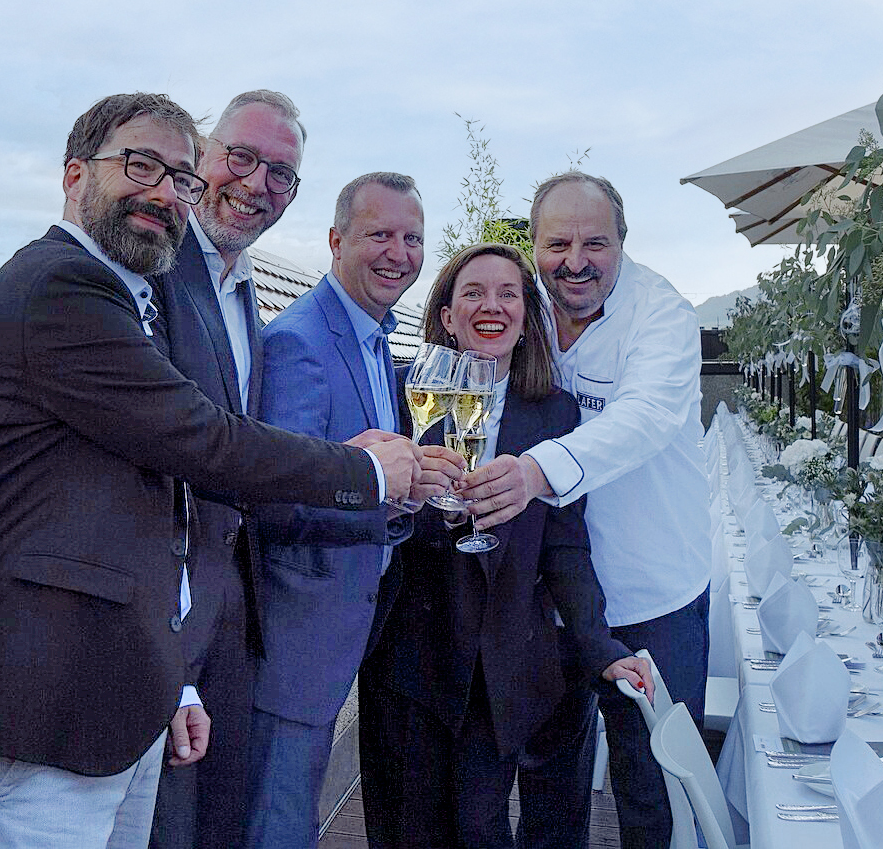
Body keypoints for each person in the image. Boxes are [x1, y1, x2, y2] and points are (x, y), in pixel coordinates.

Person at [0, 93, 421, 849]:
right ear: (75, 174)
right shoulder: (60, 287)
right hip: (32, 705)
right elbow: (203, 441)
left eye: (178, 177)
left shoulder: (129, 296)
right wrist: (365, 470)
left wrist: (169, 677)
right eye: (139, 165)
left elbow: (150, 504)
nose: (163, 191)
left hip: (110, 693)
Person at [359, 242, 652, 849]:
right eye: (473, 292)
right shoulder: (397, 393)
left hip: (500, 670)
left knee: (481, 827)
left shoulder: (555, 415)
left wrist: (599, 644)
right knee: (406, 831)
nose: (490, 305)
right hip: (411, 660)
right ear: (446, 315)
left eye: (507, 294)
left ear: (525, 318)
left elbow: (566, 547)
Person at [458, 172, 709, 849]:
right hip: (551, 595)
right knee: (551, 782)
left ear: (623, 242)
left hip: (651, 592)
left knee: (652, 789)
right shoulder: (525, 304)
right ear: (533, 244)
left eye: (595, 242)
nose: (575, 261)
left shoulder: (662, 314)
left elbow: (646, 417)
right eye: (557, 242)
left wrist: (536, 471)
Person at [245, 171, 460, 849]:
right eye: (380, 234)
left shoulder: (376, 338)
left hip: (345, 630)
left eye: (412, 237)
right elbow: (276, 502)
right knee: (278, 825)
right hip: (295, 642)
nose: (398, 252)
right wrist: (388, 503)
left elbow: (368, 478)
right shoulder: (299, 342)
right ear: (336, 240)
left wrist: (412, 492)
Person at [147, 89, 309, 849]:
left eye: (281, 173)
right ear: (203, 156)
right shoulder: (152, 264)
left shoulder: (243, 290)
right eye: (240, 157)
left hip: (228, 616)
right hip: (159, 617)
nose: (255, 183)